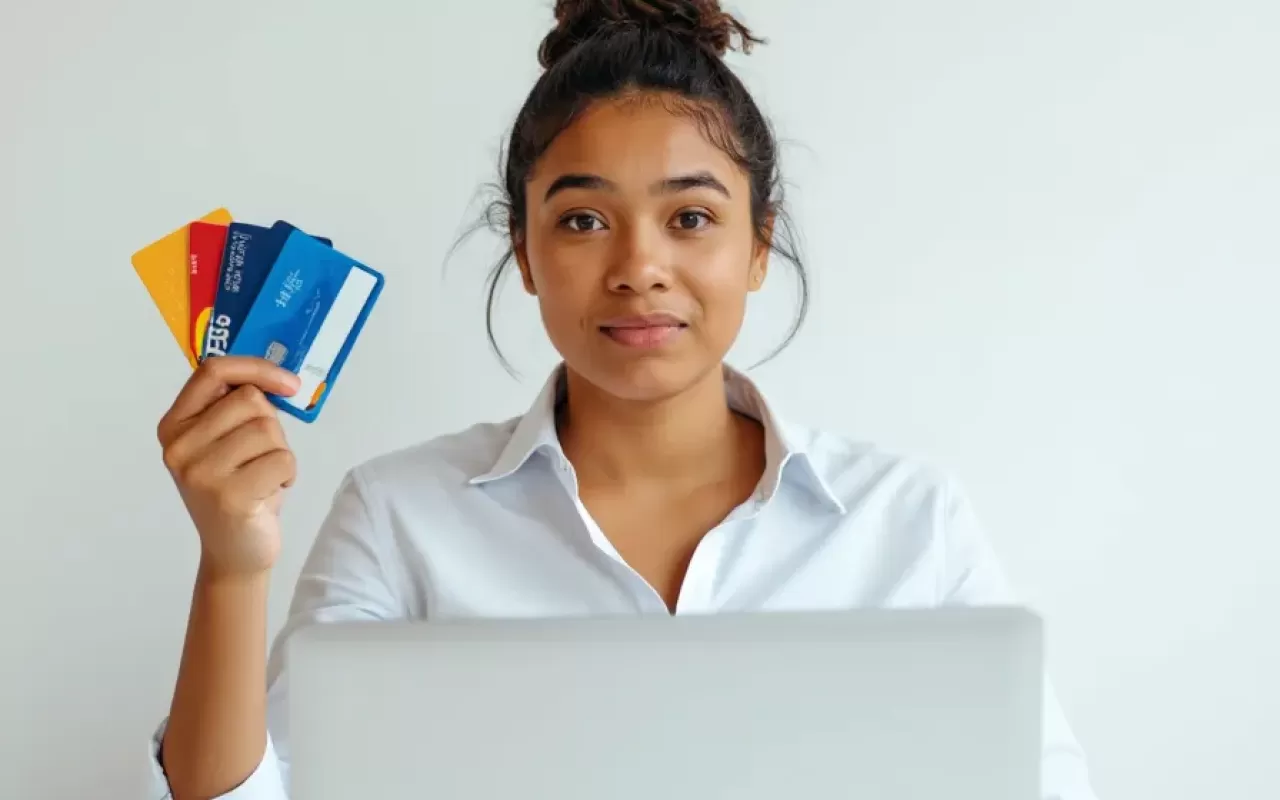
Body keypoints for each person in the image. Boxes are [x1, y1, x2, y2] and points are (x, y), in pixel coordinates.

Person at [147, 2, 1100, 798]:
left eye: (692, 217)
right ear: (525, 253)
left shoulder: (908, 521)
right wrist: (231, 570)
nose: (640, 268)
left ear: (759, 244)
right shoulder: (400, 515)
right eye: (583, 219)